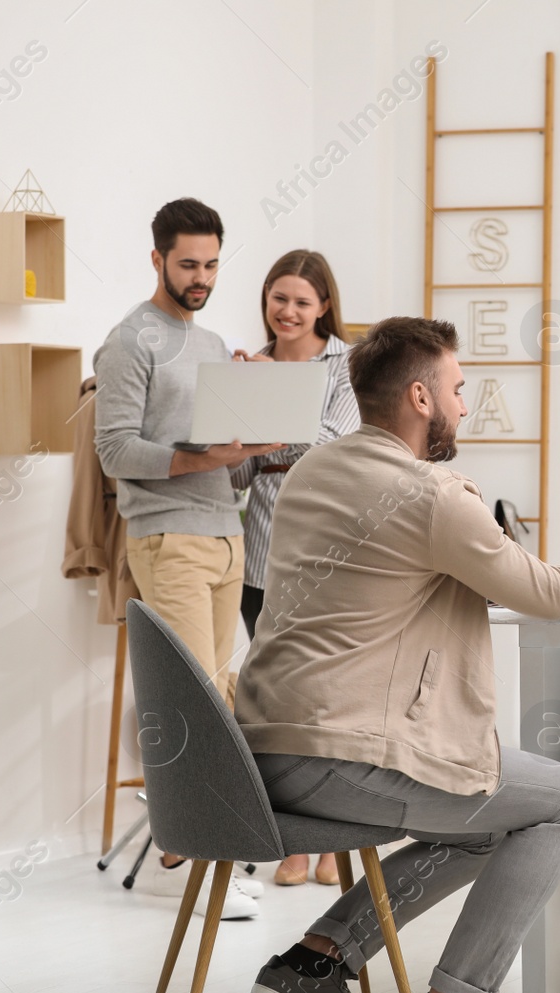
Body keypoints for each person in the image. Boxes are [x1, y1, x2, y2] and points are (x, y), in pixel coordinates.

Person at [235, 316, 560, 993]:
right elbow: (545, 589)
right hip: (342, 757)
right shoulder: (427, 495)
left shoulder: (316, 467)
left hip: (265, 750)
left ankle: (315, 962)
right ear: (420, 396)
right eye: (458, 387)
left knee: (499, 807)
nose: (465, 405)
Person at [94, 198, 277, 920]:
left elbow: (222, 465)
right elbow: (115, 450)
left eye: (210, 265)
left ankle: (214, 846)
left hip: (224, 531)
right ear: (157, 259)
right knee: (195, 698)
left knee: (223, 697)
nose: (200, 278)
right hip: (167, 535)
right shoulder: (129, 341)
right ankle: (192, 859)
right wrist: (203, 454)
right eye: (187, 264)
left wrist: (248, 446)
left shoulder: (211, 345)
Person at [229, 250, 361, 889]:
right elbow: (235, 471)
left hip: (326, 545)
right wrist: (239, 421)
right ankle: (294, 841)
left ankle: (336, 841)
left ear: (324, 307)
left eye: (301, 302)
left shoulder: (347, 364)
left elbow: (331, 440)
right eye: (278, 299)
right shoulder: (250, 365)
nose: (287, 312)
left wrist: (258, 413)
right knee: (275, 700)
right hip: (259, 552)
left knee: (326, 698)